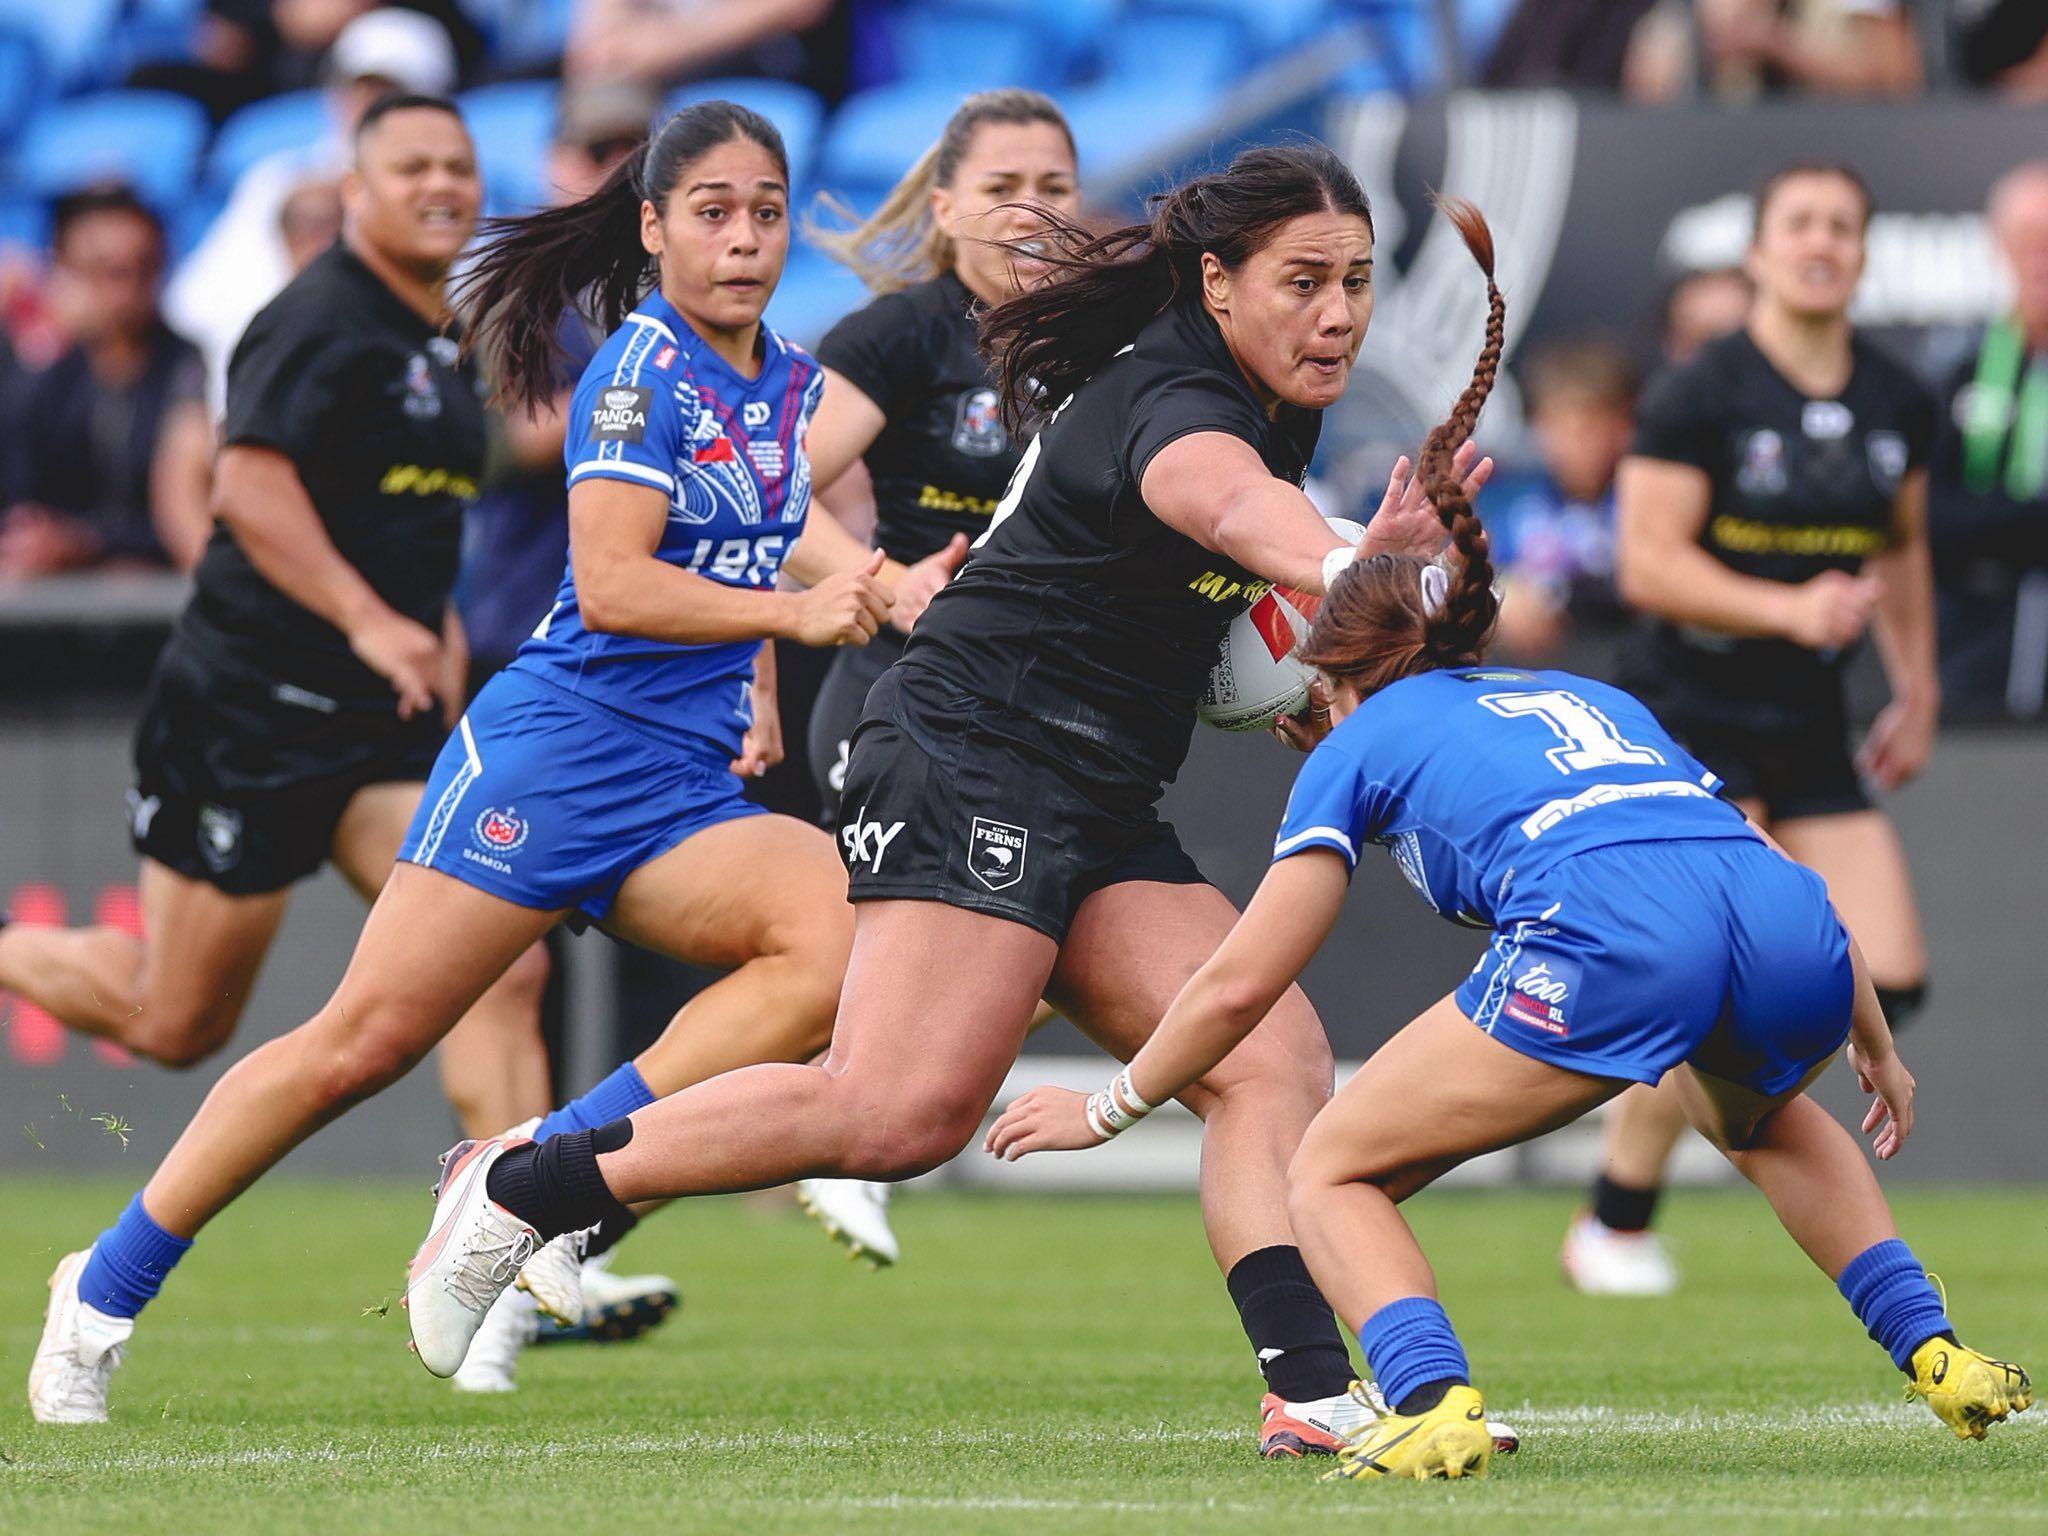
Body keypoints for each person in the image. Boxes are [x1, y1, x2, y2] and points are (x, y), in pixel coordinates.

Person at [403, 142, 1520, 1462]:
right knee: (896, 1114)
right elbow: (1232, 509)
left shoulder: (1262, 396)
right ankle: (525, 1180)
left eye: (1355, 282)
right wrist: (1350, 566)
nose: (1336, 314)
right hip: (974, 751)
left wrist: (1316, 652)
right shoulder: (1178, 402)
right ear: (1216, 284)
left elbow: (1224, 590)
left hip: (1094, 782)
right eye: (1303, 282)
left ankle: (1310, 1394)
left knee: (1269, 1061)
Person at [983, 219, 2031, 1472]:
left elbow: (1239, 981)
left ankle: (1432, 1403)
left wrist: (1105, 1107)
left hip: (1618, 942)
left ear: (1332, 672)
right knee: (1754, 1117)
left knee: (1326, 1172)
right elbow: (1753, 865)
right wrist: (1869, 1036)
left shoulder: (1359, 743)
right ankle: (1937, 1352)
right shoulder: (1583, 695)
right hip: (1790, 931)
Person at [24, 98, 937, 1425]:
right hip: (553, 760)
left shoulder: (787, 378)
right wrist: (789, 624)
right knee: (355, 1048)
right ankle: (101, 1290)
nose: (745, 238)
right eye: (712, 212)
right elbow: (614, 584)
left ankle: (532, 1179)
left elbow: (765, 524)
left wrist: (866, 594)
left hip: (678, 785)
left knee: (834, 946)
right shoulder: (635, 374)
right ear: (653, 229)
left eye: (766, 212)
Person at [0, 97, 546, 1141]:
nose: (441, 184)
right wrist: (367, 619)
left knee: (494, 962)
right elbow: (247, 487)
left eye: (458, 166)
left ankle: (519, 1220)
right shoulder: (315, 319)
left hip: (379, 725)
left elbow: (411, 507)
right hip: (253, 714)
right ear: (356, 192)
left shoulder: (443, 335)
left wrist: (430, 623)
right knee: (174, 1019)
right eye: (412, 167)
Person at [1563, 162, 1938, 1297]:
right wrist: (1787, 608)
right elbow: (1646, 564)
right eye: (1800, 224)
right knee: (1718, 975)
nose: (1821, 242)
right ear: (1760, 253)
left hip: (1809, 717)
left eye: (1842, 226)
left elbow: (1901, 547)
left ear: (1861, 254)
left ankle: (1653, 1166)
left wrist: (1915, 686)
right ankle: (1616, 1220)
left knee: (1887, 973)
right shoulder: (1701, 391)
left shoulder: (1896, 396)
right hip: (1690, 713)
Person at [791, 87, 1082, 1258]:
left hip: (1039, 716)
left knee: (1040, 955)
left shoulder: (1109, 342)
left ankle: (581, 1196)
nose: (1029, 209)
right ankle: (565, 1186)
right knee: (866, 989)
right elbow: (774, 490)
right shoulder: (901, 335)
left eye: (1053, 188)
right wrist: (882, 577)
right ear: (945, 206)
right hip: (900, 700)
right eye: (1001, 188)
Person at [166, 8, 459, 418]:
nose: (369, 108)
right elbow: (192, 304)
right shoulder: (275, 182)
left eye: (392, 94)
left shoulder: (457, 199)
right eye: (357, 90)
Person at [0, 187, 212, 577]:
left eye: (141, 268)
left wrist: (86, 541)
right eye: (106, 271)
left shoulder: (190, 369)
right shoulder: (39, 374)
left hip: (161, 590)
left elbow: (185, 519)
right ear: (63, 269)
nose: (124, 290)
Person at [1925, 161, 2048, 721]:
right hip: (1973, 650)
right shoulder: (1957, 362)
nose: (2041, 256)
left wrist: (1996, 526)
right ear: (1998, 244)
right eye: (2028, 238)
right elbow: (1931, 513)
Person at [1486, 337, 1637, 664]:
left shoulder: (1640, 505)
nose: (1574, 445)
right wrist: (1500, 594)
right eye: (1558, 427)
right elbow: (1473, 572)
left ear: (1624, 427)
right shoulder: (1512, 502)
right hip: (1530, 672)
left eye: (1588, 428)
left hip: (1616, 665)